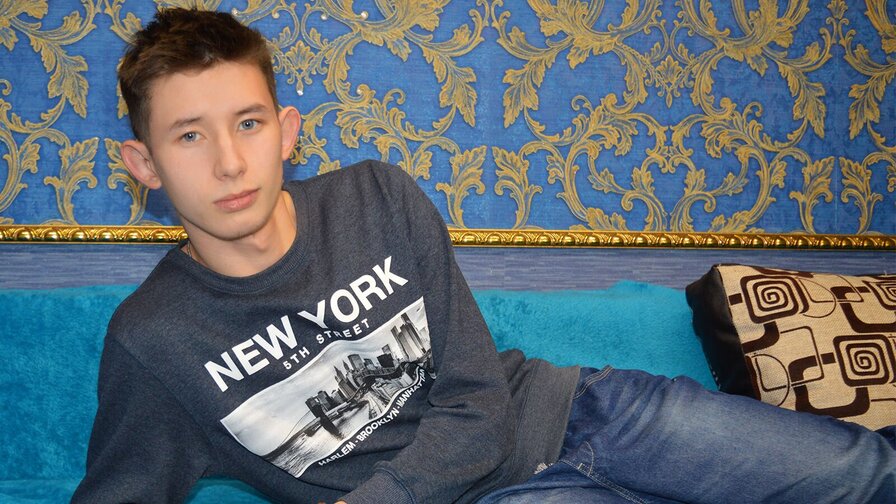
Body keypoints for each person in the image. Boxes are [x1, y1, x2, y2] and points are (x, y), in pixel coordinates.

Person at [72, 7, 895, 504]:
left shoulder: (375, 197)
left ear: (287, 132)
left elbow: (476, 400)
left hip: (577, 411)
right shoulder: (155, 341)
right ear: (144, 164)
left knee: (858, 474)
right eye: (189, 136)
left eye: (248, 124)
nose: (228, 162)